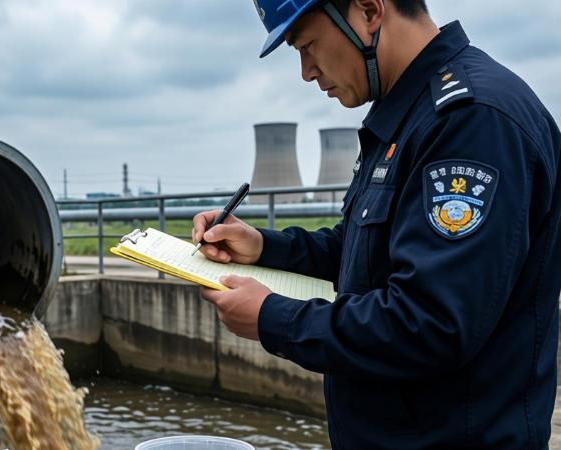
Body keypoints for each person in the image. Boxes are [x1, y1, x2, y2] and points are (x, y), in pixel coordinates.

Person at [192, 0, 561, 448]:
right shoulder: (409, 114)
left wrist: (274, 317)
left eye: (307, 45)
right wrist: (263, 246)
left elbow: (430, 323)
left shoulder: (472, 121)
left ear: (369, 11)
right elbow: (365, 252)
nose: (306, 71)